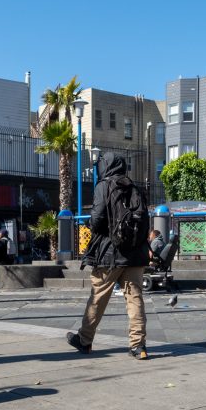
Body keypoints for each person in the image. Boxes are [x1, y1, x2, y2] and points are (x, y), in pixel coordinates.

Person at [66, 152, 150, 360]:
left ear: (105, 166)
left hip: (109, 254)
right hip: (135, 254)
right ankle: (138, 346)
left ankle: (85, 340)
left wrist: (91, 224)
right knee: (135, 299)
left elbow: (97, 219)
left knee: (98, 297)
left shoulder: (103, 186)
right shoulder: (135, 187)